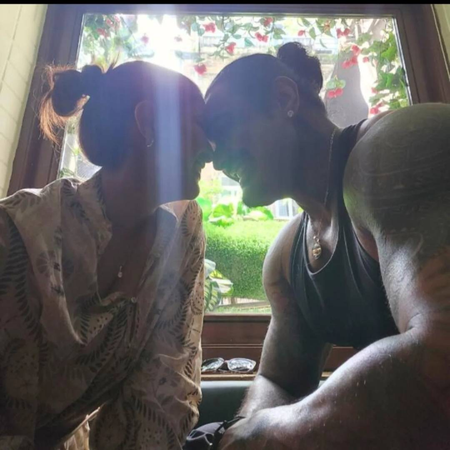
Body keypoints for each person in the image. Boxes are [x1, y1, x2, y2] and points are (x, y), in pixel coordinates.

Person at [200, 42, 450, 449]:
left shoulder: (392, 153)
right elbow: (278, 380)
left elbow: (442, 349)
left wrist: (264, 435)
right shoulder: (285, 257)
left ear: (284, 99)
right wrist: (241, 432)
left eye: (224, 127)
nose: (217, 160)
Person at [0, 60, 213, 449]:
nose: (212, 147)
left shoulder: (183, 231)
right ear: (149, 123)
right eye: (201, 125)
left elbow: (163, 389)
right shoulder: (17, 234)